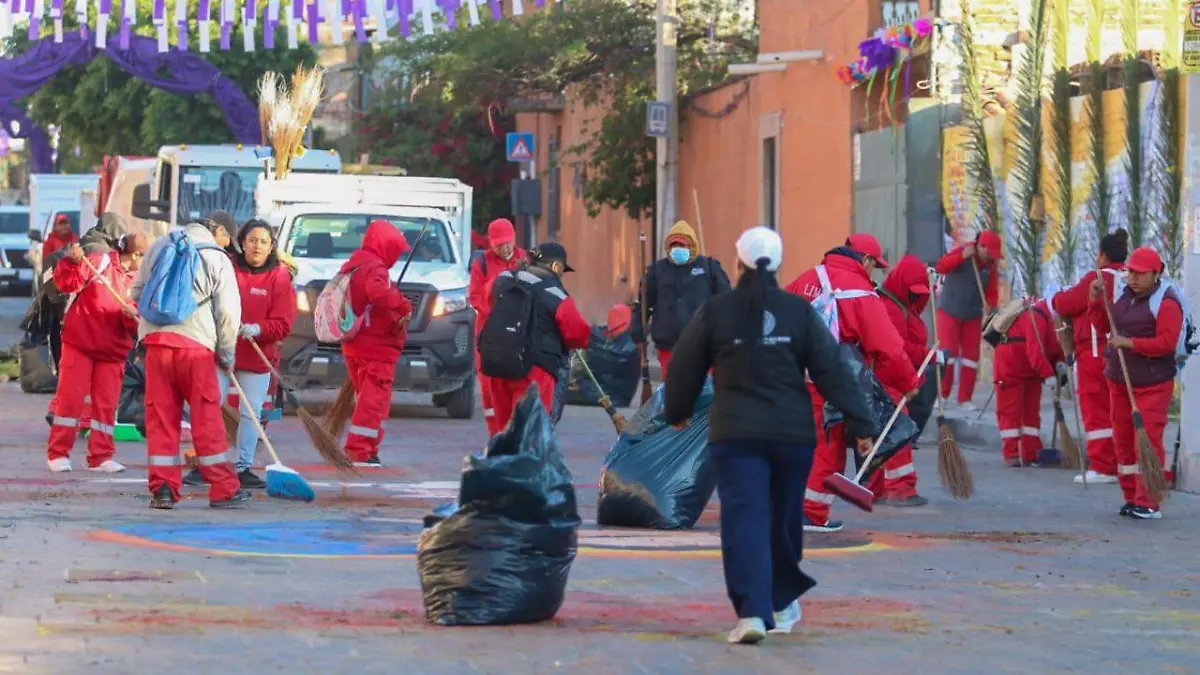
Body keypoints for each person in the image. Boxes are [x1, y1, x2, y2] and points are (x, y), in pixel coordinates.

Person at [664, 226, 878, 645]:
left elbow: (683, 368)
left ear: (738, 262)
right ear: (778, 266)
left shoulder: (716, 312)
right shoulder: (798, 313)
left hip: (735, 434)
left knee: (744, 516)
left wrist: (677, 412)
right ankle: (779, 602)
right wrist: (863, 424)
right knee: (781, 519)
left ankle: (753, 613)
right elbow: (832, 369)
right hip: (791, 435)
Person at [786, 233, 919, 533]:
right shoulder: (860, 291)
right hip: (828, 379)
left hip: (793, 374)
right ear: (866, 260)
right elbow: (888, 347)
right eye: (875, 265)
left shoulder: (807, 278)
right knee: (828, 445)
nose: (874, 272)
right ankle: (812, 513)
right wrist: (909, 381)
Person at [132, 219, 248, 510]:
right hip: (196, 348)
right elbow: (228, 314)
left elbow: (136, 293)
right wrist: (227, 354)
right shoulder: (217, 257)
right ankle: (222, 488)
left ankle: (163, 490)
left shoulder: (159, 247)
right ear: (214, 232)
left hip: (156, 344)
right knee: (206, 417)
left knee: (161, 419)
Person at [182, 220, 296, 489]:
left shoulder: (279, 277)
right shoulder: (226, 267)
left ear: (271, 247)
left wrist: (259, 328)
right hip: (220, 351)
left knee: (251, 414)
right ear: (242, 242)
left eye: (264, 242)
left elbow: (283, 323)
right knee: (210, 406)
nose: (257, 246)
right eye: (252, 240)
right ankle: (205, 463)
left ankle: (243, 467)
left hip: (256, 357)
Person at [1089, 247, 1182, 520]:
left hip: (1152, 383)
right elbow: (1104, 327)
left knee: (1149, 440)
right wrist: (1096, 300)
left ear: (1156, 273)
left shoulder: (1167, 303)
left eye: (1140, 274)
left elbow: (1166, 343)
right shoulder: (1122, 297)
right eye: (1130, 272)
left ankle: (1149, 501)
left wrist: (1131, 343)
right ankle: (1131, 496)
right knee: (1124, 441)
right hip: (1119, 381)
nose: (1133, 278)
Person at [45, 231, 148, 473]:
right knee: (70, 400)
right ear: (135, 254)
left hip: (112, 351)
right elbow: (66, 283)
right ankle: (58, 453)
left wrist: (131, 318)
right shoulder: (99, 261)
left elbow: (137, 324)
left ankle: (100, 456)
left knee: (107, 404)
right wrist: (71, 262)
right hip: (80, 344)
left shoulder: (139, 281)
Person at [483, 242, 591, 430]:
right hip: (534, 370)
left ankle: (504, 459)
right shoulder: (554, 291)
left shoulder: (501, 279)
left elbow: (487, 302)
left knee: (503, 433)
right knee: (530, 434)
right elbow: (577, 333)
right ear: (556, 266)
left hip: (496, 362)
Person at [1049, 230, 1128, 484]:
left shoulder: (1097, 278)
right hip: (1123, 354)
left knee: (1097, 410)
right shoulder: (1129, 278)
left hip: (1094, 354)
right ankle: (1122, 463)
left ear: (1102, 255)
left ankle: (1104, 466)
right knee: (1118, 411)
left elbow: (1064, 304)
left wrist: (1057, 296)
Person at [340, 220, 414, 467]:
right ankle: (360, 449)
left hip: (357, 344)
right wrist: (403, 306)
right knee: (373, 401)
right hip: (377, 347)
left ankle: (367, 447)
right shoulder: (375, 268)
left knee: (366, 399)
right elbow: (378, 293)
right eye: (395, 249)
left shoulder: (355, 264)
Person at [870, 254, 933, 506]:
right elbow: (898, 348)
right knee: (897, 432)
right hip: (890, 377)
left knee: (884, 434)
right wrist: (926, 355)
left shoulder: (903, 307)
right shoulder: (891, 308)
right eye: (913, 291)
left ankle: (878, 489)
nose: (916, 296)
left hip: (897, 375)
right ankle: (901, 488)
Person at [631, 221, 731, 380]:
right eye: (674, 245)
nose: (678, 249)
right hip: (668, 345)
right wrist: (637, 334)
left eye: (682, 245)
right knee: (672, 392)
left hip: (703, 344)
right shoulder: (657, 271)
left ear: (692, 246)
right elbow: (643, 304)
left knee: (703, 392)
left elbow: (726, 302)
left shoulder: (709, 268)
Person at [468, 218, 527, 436]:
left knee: (517, 386)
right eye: (499, 244)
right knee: (489, 390)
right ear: (491, 243)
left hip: (518, 336)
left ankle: (513, 435)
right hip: (490, 336)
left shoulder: (525, 260)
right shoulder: (481, 263)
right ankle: (496, 436)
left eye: (507, 243)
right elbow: (475, 297)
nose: (504, 248)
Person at [993, 298, 1066, 466]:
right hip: (1010, 367)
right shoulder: (1037, 317)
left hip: (1030, 369)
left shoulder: (1051, 320)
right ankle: (1011, 453)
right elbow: (1035, 351)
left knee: (1031, 412)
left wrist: (1059, 363)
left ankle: (1031, 452)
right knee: (1010, 411)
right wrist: (1048, 374)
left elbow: (1053, 346)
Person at [934, 230, 1003, 408]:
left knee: (971, 358)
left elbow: (992, 290)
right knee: (948, 355)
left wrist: (990, 305)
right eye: (989, 253)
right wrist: (962, 256)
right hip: (949, 311)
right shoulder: (963, 252)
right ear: (981, 246)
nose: (991, 257)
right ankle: (942, 395)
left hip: (972, 314)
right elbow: (941, 267)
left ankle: (965, 398)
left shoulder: (990, 266)